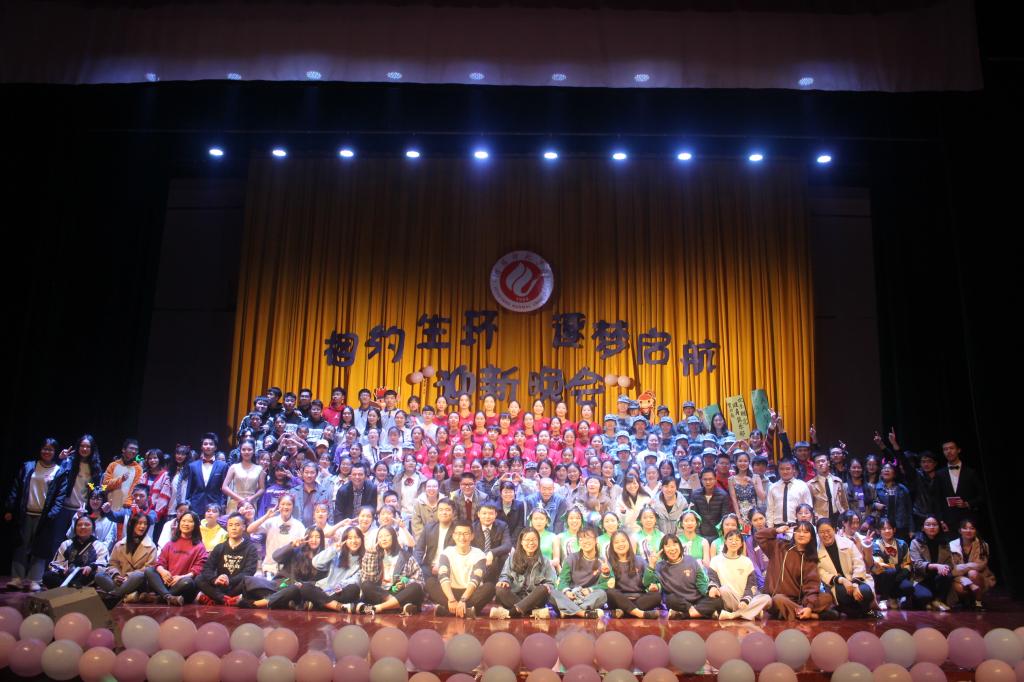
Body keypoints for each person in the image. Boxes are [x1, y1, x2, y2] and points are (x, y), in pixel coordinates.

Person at [35, 435, 102, 575]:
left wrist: (94, 489)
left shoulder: (94, 467)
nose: (84, 449)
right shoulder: (70, 462)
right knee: (57, 541)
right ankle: (52, 572)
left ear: (92, 449)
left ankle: (72, 575)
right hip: (64, 508)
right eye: (82, 446)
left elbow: (95, 487)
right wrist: (61, 459)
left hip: (81, 511)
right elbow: (57, 476)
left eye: (88, 446)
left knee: (77, 544)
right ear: (78, 447)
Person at [4, 438, 61, 591]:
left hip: (44, 517)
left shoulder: (59, 471)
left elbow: (60, 496)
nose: (47, 452)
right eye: (44, 448)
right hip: (25, 513)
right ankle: (17, 578)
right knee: (20, 546)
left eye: (50, 449)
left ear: (55, 452)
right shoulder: (28, 466)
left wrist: (52, 514)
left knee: (39, 548)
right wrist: (9, 508)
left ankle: (35, 579)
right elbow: (16, 487)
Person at [756, 521, 836, 620]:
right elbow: (759, 536)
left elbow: (811, 586)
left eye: (806, 532)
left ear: (811, 536)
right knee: (778, 599)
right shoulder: (779, 546)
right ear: (793, 533)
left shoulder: (810, 559)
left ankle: (797, 612)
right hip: (778, 599)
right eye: (798, 531)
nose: (801, 534)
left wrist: (809, 606)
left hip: (799, 600)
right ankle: (812, 615)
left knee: (827, 597)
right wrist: (776, 530)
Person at [237, 527, 328, 609]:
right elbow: (276, 556)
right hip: (281, 585)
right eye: (311, 537)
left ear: (322, 539)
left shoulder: (324, 558)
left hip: (300, 591)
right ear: (306, 538)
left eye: (317, 537)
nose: (314, 540)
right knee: (250, 581)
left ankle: (257, 604)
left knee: (295, 590)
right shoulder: (297, 551)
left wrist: (304, 585)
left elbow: (322, 582)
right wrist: (292, 545)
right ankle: (287, 603)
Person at [427, 519, 494, 617]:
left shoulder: (479, 554)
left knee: (490, 588)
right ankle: (467, 611)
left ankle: (448, 611)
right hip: (451, 592)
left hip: (470, 593)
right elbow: (443, 576)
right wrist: (451, 600)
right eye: (458, 534)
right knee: (430, 582)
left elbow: (475, 579)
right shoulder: (447, 552)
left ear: (472, 536)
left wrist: (463, 600)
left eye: (466, 534)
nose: (462, 537)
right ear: (453, 536)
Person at [356, 526, 425, 615]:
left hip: (396, 590)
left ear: (394, 537)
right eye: (380, 537)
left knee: (416, 587)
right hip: (381, 592)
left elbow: (419, 580)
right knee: (366, 585)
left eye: (387, 535)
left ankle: (378, 608)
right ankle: (399, 606)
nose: (383, 539)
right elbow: (370, 579)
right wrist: (371, 555)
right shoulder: (375, 555)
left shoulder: (406, 556)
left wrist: (405, 582)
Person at [143, 511, 207, 605]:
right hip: (167, 582)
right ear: (179, 523)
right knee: (149, 570)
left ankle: (159, 597)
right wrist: (163, 572)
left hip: (183, 585)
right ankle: (168, 597)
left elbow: (198, 569)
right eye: (183, 521)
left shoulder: (200, 547)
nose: (186, 524)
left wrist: (181, 577)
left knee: (188, 582)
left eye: (190, 521)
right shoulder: (170, 543)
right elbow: (159, 562)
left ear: (195, 525)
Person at [492, 527, 557, 619]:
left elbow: (551, 583)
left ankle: (511, 613)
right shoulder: (512, 558)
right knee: (500, 589)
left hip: (535, 599)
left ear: (538, 542)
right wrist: (504, 581)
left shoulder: (545, 561)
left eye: (534, 540)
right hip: (515, 597)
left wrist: (547, 586)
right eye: (527, 540)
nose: (531, 543)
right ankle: (532, 612)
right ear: (521, 542)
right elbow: (505, 575)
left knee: (543, 589)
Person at [816, 518, 876, 618]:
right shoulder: (817, 551)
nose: (825, 534)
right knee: (843, 594)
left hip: (856, 579)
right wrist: (842, 580)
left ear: (834, 530)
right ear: (817, 533)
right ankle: (863, 611)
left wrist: (854, 584)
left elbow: (859, 564)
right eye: (822, 532)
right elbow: (821, 573)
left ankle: (855, 611)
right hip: (836, 583)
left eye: (828, 531)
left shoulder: (847, 543)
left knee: (865, 592)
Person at [196, 512, 259, 605]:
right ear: (227, 528)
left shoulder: (251, 548)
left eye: (237, 525)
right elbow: (207, 568)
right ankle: (226, 599)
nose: (233, 528)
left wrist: (229, 580)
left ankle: (215, 597)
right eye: (230, 525)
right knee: (199, 578)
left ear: (244, 527)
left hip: (237, 585)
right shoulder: (219, 547)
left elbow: (249, 572)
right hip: (220, 584)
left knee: (251, 581)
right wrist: (215, 579)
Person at [656, 534, 723, 619]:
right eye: (668, 546)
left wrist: (709, 591)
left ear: (680, 546)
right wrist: (651, 565)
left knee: (717, 600)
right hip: (679, 602)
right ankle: (704, 612)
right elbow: (649, 583)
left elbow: (701, 583)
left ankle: (684, 615)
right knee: (670, 599)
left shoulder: (691, 560)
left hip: (697, 600)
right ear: (662, 549)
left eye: (674, 544)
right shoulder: (660, 566)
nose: (672, 548)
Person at [708, 530, 772, 620]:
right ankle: (752, 611)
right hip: (728, 598)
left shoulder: (747, 561)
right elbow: (713, 579)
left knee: (767, 599)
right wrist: (713, 587)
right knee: (723, 590)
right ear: (725, 542)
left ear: (741, 544)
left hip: (744, 599)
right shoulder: (716, 560)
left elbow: (751, 585)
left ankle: (733, 615)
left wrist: (745, 600)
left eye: (737, 540)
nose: (733, 542)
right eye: (730, 539)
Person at [94, 513, 156, 605]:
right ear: (132, 524)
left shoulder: (151, 546)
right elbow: (112, 564)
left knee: (138, 576)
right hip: (119, 581)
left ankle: (114, 595)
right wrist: (116, 575)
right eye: (139, 523)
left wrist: (128, 576)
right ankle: (124, 595)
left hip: (137, 581)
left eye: (145, 524)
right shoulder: (119, 545)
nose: (143, 526)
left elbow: (149, 568)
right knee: (99, 575)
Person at [552, 525, 608, 618]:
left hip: (589, 598)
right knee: (552, 592)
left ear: (596, 540)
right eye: (581, 539)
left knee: (602, 594)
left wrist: (590, 590)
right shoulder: (571, 558)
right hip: (571, 596)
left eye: (588, 538)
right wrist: (567, 592)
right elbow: (563, 580)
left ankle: (568, 611)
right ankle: (583, 613)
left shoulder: (602, 561)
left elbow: (607, 583)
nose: (585, 541)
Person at [605, 530, 662, 619]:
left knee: (656, 596)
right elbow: (606, 585)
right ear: (612, 546)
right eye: (616, 542)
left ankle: (624, 612)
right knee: (610, 592)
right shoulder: (609, 563)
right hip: (620, 599)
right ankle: (640, 613)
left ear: (628, 542)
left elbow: (648, 583)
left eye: (623, 541)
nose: (620, 544)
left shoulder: (639, 560)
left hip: (639, 598)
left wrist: (651, 566)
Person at [43, 515, 109, 589]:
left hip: (85, 577)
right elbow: (54, 564)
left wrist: (91, 567)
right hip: (67, 576)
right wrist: (62, 570)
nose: (82, 527)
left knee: (94, 575)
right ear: (75, 529)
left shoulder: (100, 546)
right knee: (48, 576)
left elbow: (103, 565)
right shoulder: (66, 544)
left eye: (87, 524)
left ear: (93, 528)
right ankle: (71, 588)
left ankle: (70, 589)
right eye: (79, 525)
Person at [248, 494, 306, 577]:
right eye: (283, 504)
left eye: (289, 504)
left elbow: (304, 545)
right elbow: (250, 530)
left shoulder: (299, 525)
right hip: (270, 568)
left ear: (293, 506)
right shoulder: (271, 522)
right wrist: (266, 516)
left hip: (289, 569)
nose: (285, 507)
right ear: (278, 505)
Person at [934, 441, 982, 536]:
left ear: (958, 450)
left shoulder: (970, 472)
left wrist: (967, 503)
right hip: (949, 521)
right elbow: (937, 499)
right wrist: (941, 520)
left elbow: (981, 496)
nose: (948, 451)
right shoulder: (939, 474)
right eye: (945, 449)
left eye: (951, 448)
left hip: (968, 520)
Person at [909, 515, 954, 611]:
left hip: (939, 578)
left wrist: (945, 568)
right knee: (924, 597)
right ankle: (929, 601)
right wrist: (936, 566)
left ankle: (938, 600)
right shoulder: (915, 542)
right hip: (922, 578)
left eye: (934, 525)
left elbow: (950, 563)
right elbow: (917, 565)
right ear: (923, 527)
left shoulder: (944, 543)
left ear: (939, 527)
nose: (932, 527)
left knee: (947, 575)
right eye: (928, 525)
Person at [949, 517, 995, 610]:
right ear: (960, 530)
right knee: (959, 588)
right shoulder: (951, 545)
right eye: (965, 528)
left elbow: (980, 565)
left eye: (972, 528)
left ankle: (978, 602)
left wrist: (962, 567)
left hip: (980, 576)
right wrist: (969, 582)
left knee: (972, 573)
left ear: (976, 531)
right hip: (959, 578)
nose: (968, 531)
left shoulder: (983, 545)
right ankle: (967, 601)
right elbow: (953, 570)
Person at [871, 516, 915, 610]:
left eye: (889, 528)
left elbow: (907, 563)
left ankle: (893, 597)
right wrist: (898, 567)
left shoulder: (902, 544)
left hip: (898, 576)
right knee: (890, 572)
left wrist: (900, 574)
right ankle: (883, 599)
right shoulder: (876, 544)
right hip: (882, 577)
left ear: (894, 530)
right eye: (884, 529)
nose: (887, 531)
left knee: (909, 587)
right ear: (879, 531)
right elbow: (880, 564)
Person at [187, 433, 229, 514]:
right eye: (205, 444)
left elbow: (224, 489)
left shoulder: (223, 466)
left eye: (211, 444)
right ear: (201, 447)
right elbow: (189, 489)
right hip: (195, 506)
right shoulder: (192, 466)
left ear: (215, 447)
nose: (208, 446)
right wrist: (188, 503)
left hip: (215, 507)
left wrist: (222, 504)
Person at [221, 439, 265, 515]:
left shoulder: (259, 468)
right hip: (235, 502)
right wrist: (240, 499)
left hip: (250, 503)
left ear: (253, 451)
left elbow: (262, 489)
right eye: (243, 449)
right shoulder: (234, 467)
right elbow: (224, 487)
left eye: (249, 450)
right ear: (240, 451)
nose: (246, 452)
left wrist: (252, 498)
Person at [471, 502, 513, 583]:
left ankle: (502, 582)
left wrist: (492, 552)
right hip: (477, 560)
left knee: (505, 557)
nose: (487, 516)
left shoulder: (502, 526)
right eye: (484, 513)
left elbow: (507, 545)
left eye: (491, 514)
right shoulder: (472, 527)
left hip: (495, 561)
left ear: (495, 515)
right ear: (478, 514)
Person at [765, 459, 813, 528]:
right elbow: (770, 509)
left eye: (788, 469)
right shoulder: (773, 487)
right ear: (778, 470)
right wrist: (770, 528)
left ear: (793, 470)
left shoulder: (802, 486)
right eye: (781, 469)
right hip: (777, 527)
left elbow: (808, 508)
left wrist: (808, 527)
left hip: (797, 526)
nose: (785, 472)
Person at [102, 439, 143, 511]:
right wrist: (121, 479)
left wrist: (127, 503)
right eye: (131, 448)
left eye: (136, 450)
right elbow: (105, 485)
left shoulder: (138, 469)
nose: (134, 451)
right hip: (110, 504)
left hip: (127, 507)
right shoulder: (113, 465)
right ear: (123, 450)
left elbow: (135, 488)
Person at [874, 463, 913, 539]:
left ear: (894, 473)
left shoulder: (903, 489)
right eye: (884, 468)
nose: (887, 470)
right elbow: (870, 505)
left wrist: (911, 529)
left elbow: (909, 510)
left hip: (900, 526)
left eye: (889, 468)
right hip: (883, 526)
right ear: (881, 473)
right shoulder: (876, 488)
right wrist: (874, 505)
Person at [808, 453, 848, 525]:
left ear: (828, 463)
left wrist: (846, 516)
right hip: (821, 519)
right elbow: (809, 506)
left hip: (838, 517)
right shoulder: (810, 484)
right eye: (817, 462)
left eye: (823, 461)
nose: (820, 464)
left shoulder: (838, 481)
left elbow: (844, 502)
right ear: (814, 466)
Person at [691, 468, 730, 541]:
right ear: (701, 480)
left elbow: (724, 518)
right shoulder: (695, 495)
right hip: (700, 535)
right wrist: (698, 536)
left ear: (715, 479)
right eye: (705, 479)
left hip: (718, 535)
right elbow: (694, 517)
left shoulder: (723, 495)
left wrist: (720, 536)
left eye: (710, 479)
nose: (708, 482)